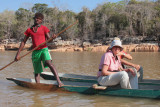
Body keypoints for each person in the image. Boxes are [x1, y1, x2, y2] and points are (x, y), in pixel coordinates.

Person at [14, 13, 63, 87]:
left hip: (44, 49)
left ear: (41, 20)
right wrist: (17, 55)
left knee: (49, 63)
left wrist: (53, 38)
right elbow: (23, 42)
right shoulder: (29, 30)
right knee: (37, 71)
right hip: (35, 51)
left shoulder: (44, 28)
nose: (37, 19)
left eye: (39, 19)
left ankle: (59, 81)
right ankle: (38, 86)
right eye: (36, 18)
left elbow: (49, 40)